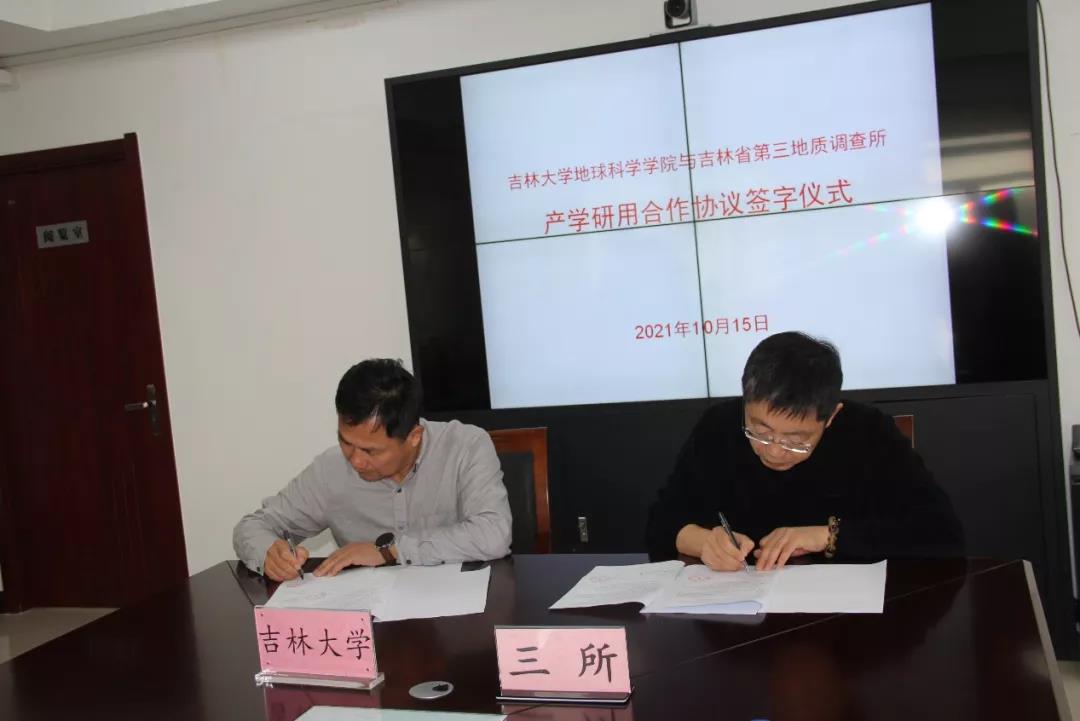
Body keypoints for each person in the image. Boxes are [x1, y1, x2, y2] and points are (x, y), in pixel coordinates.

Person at [646, 331, 963, 572]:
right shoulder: (718, 426)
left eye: (795, 440)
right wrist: (704, 543)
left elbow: (941, 532)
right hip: (739, 618)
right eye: (760, 431)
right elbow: (661, 520)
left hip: (842, 620)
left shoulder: (868, 432)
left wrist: (826, 536)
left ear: (832, 416)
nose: (774, 451)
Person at [234, 358, 512, 581]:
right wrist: (269, 553)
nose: (355, 461)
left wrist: (390, 551)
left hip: (456, 616)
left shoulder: (465, 447)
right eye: (346, 442)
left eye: (370, 451)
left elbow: (493, 535)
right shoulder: (331, 469)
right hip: (372, 621)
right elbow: (252, 526)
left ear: (414, 437)